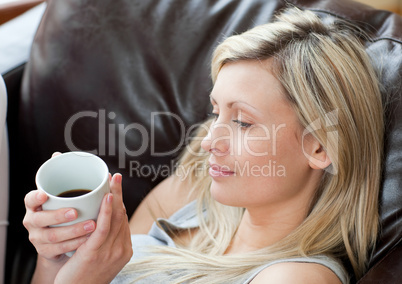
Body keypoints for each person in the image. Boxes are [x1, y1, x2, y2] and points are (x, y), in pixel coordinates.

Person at [23, 7, 384, 284]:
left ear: (319, 146)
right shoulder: (202, 187)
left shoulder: (292, 276)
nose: (210, 141)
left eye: (242, 121)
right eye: (216, 113)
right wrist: (55, 260)